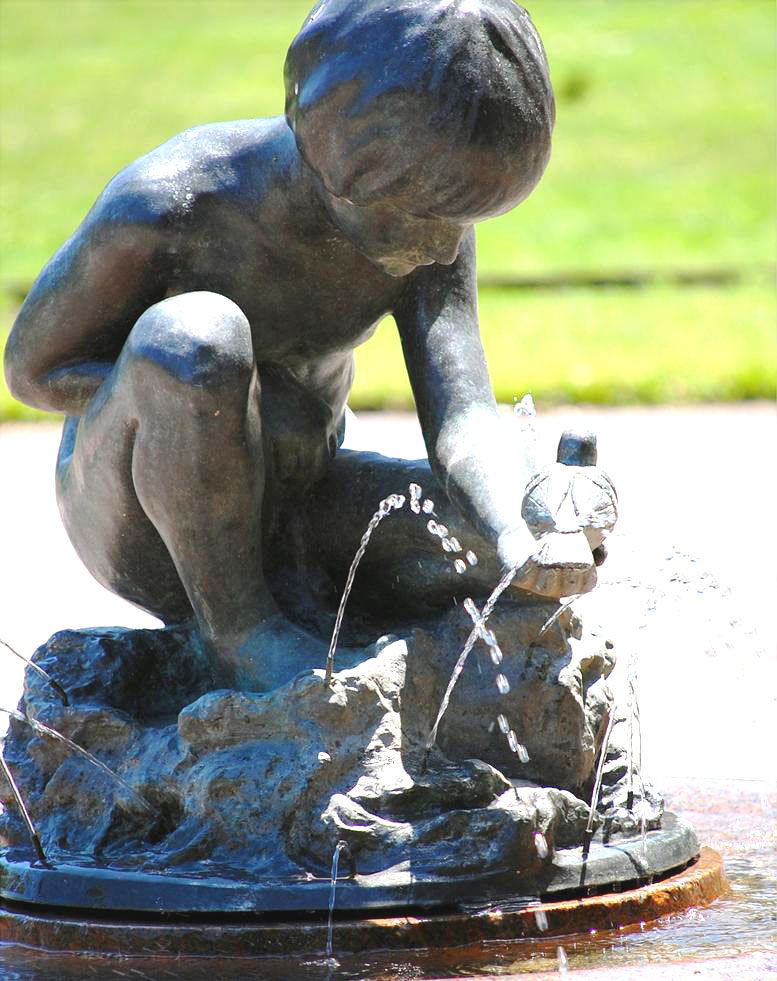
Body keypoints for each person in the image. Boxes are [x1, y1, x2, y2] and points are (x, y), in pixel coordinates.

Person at [4, 0, 603, 691]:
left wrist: (516, 525)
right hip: (144, 523)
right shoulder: (170, 206)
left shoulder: (424, 226)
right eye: (424, 217)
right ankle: (239, 634)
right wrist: (219, 406)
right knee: (196, 339)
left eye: (460, 220)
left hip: (298, 503)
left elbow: (464, 420)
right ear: (341, 158)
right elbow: (33, 368)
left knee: (493, 542)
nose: (443, 245)